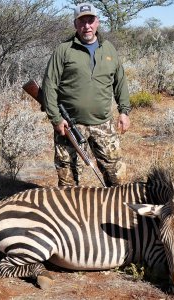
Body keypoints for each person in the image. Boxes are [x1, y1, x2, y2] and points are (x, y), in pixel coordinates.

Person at [42, 2, 131, 187]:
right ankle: (69, 213)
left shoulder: (109, 49)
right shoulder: (63, 50)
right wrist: (56, 119)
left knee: (117, 176)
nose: (87, 26)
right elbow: (49, 86)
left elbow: (120, 82)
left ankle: (116, 212)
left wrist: (124, 111)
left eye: (90, 21)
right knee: (68, 178)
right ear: (75, 24)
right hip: (70, 125)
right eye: (82, 22)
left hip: (103, 123)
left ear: (97, 22)